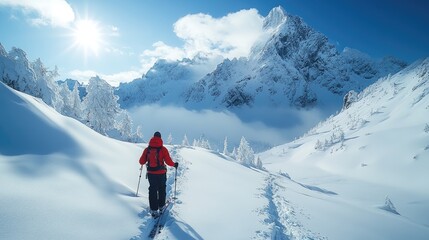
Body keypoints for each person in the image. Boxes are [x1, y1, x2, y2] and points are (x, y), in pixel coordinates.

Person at [139, 131, 178, 218]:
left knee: (152, 190)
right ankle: (161, 206)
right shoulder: (163, 149)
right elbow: (168, 161)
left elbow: (141, 161)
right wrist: (174, 164)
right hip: (161, 173)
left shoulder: (147, 149)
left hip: (151, 174)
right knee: (161, 188)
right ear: (160, 138)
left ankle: (153, 209)